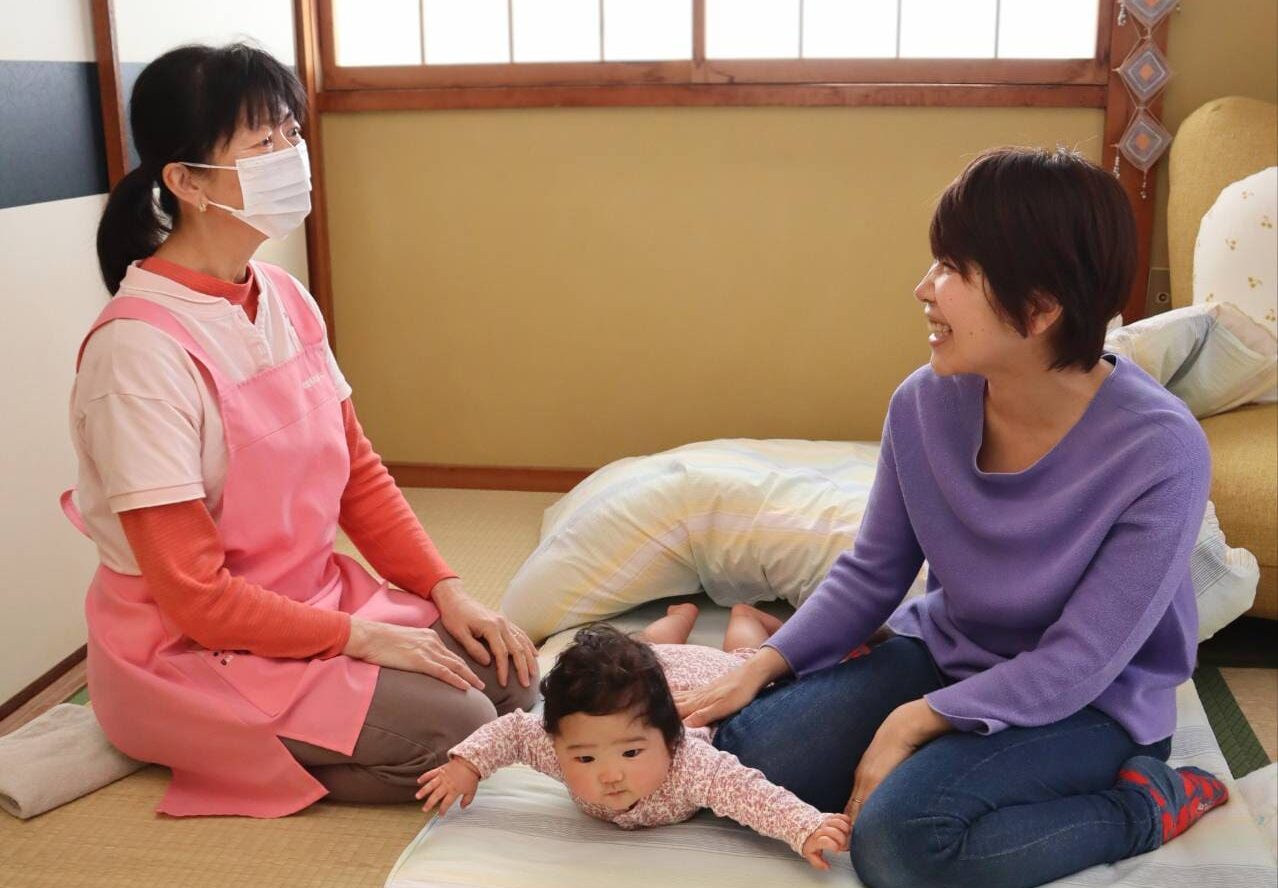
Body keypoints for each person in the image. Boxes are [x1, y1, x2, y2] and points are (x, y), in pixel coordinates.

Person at [673, 147, 1229, 888]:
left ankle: (1145, 806)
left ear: (1040, 309)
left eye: (953, 269)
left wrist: (912, 720)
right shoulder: (923, 403)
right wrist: (764, 666)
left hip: (1092, 702)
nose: (923, 289)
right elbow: (874, 571)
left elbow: (1082, 660)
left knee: (900, 847)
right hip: (950, 653)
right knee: (745, 755)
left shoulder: (1160, 449)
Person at [65, 43, 536, 817]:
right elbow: (195, 599)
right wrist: (363, 638)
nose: (291, 155)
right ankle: (194, 745)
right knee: (461, 730)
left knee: (514, 679)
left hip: (312, 603)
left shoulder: (282, 294)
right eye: (264, 142)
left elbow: (359, 473)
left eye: (292, 132)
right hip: (195, 651)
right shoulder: (137, 354)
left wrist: (447, 592)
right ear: (186, 182)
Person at [416, 621, 851, 870]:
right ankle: (678, 616)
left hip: (709, 676)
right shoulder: (556, 745)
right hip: (655, 664)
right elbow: (512, 731)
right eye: (585, 758)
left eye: (631, 753)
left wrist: (804, 827)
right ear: (558, 743)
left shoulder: (690, 764)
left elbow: (747, 791)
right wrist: (468, 764)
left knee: (743, 652)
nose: (610, 774)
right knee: (643, 646)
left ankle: (747, 614)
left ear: (670, 738)